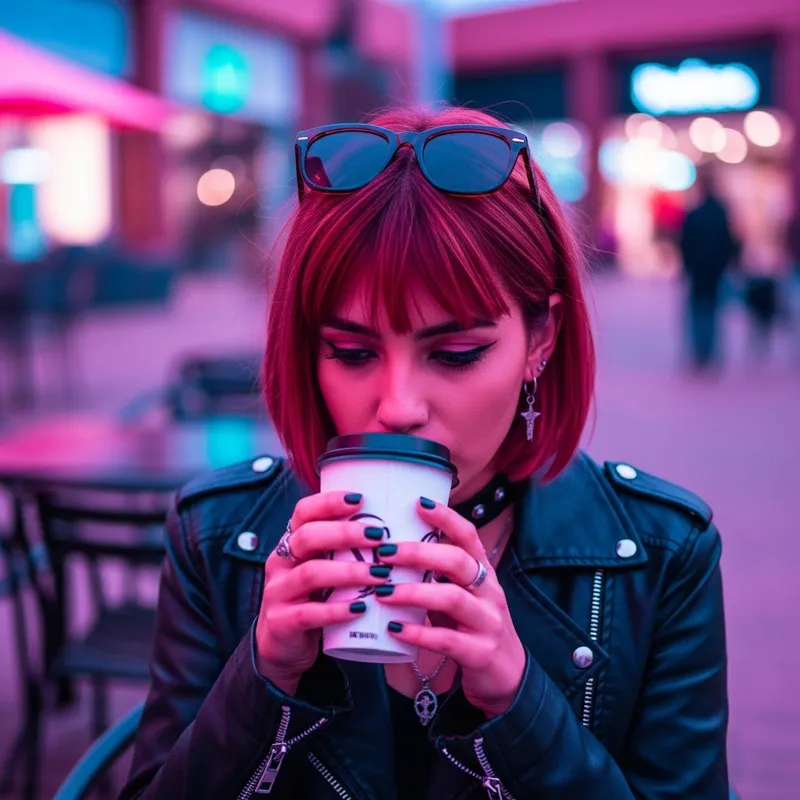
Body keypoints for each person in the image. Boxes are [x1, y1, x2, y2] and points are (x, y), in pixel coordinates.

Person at [120, 106, 729, 799]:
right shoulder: (219, 538)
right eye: (351, 351)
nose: (399, 403)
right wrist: (261, 680)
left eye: (456, 353)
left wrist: (518, 704)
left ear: (541, 339)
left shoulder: (661, 555)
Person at [679, 169, 738, 370]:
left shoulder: (694, 214)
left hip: (697, 270)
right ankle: (709, 352)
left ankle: (700, 352)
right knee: (712, 310)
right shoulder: (721, 212)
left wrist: (686, 266)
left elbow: (684, 243)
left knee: (698, 310)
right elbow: (729, 242)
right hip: (714, 270)